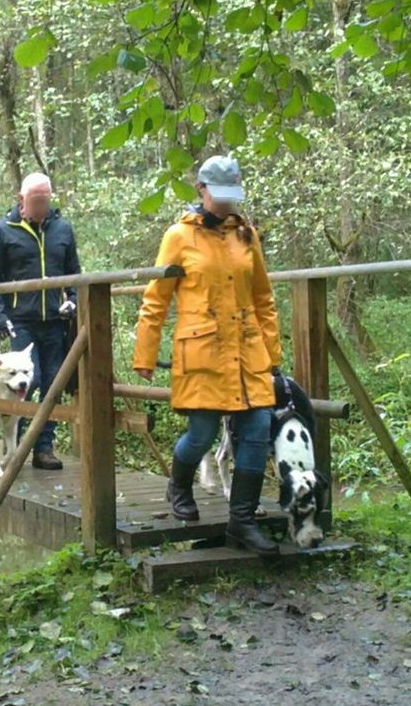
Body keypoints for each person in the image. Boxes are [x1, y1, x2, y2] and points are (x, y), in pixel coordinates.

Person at [133, 155, 283, 556]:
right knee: (202, 434)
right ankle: (179, 484)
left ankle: (242, 522)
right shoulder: (178, 236)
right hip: (203, 351)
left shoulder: (245, 234)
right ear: (201, 190)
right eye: (220, 196)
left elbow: (263, 299)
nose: (228, 203)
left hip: (248, 351)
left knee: (256, 431)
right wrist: (145, 355)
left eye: (233, 195)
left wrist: (273, 353)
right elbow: (155, 300)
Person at [0, 172, 81, 471]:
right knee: (27, 380)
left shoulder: (62, 230)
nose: (41, 206)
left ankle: (44, 448)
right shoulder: (3, 231)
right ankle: (18, 444)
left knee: (53, 383)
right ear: (21, 199)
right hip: (19, 320)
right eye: (35, 200)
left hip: (54, 320)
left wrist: (72, 300)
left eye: (45, 199)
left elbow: (74, 274)